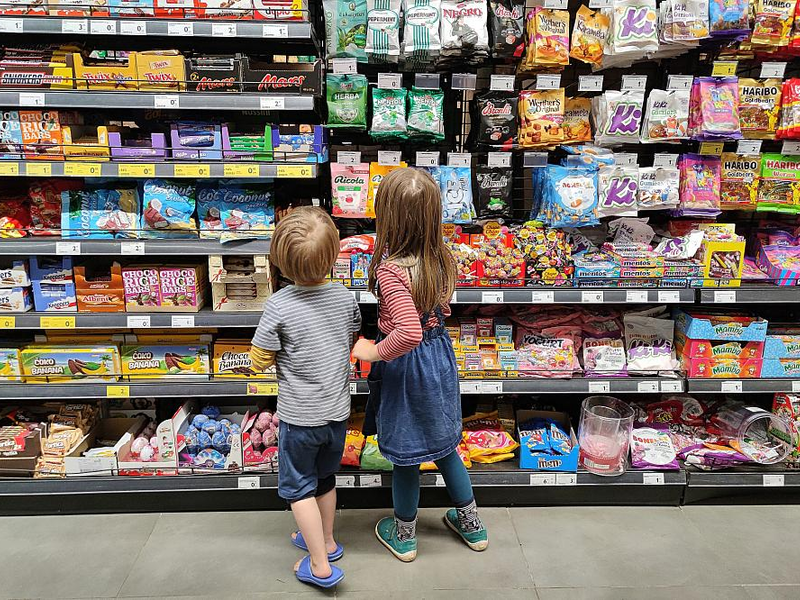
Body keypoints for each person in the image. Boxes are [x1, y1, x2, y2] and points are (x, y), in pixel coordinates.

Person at [352, 168, 489, 562]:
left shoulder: (391, 271)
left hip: (406, 370)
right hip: (438, 361)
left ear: (388, 217)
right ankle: (472, 526)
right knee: (445, 446)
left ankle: (405, 535)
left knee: (407, 455)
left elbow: (408, 333)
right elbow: (442, 309)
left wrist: (371, 352)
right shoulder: (442, 257)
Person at [250, 206, 361, 589]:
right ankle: (327, 541)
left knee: (299, 489)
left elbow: (260, 358)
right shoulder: (345, 297)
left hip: (300, 419)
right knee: (325, 479)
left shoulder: (279, 305)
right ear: (333, 256)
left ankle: (319, 565)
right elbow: (350, 336)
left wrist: (264, 360)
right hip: (337, 414)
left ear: (280, 261)